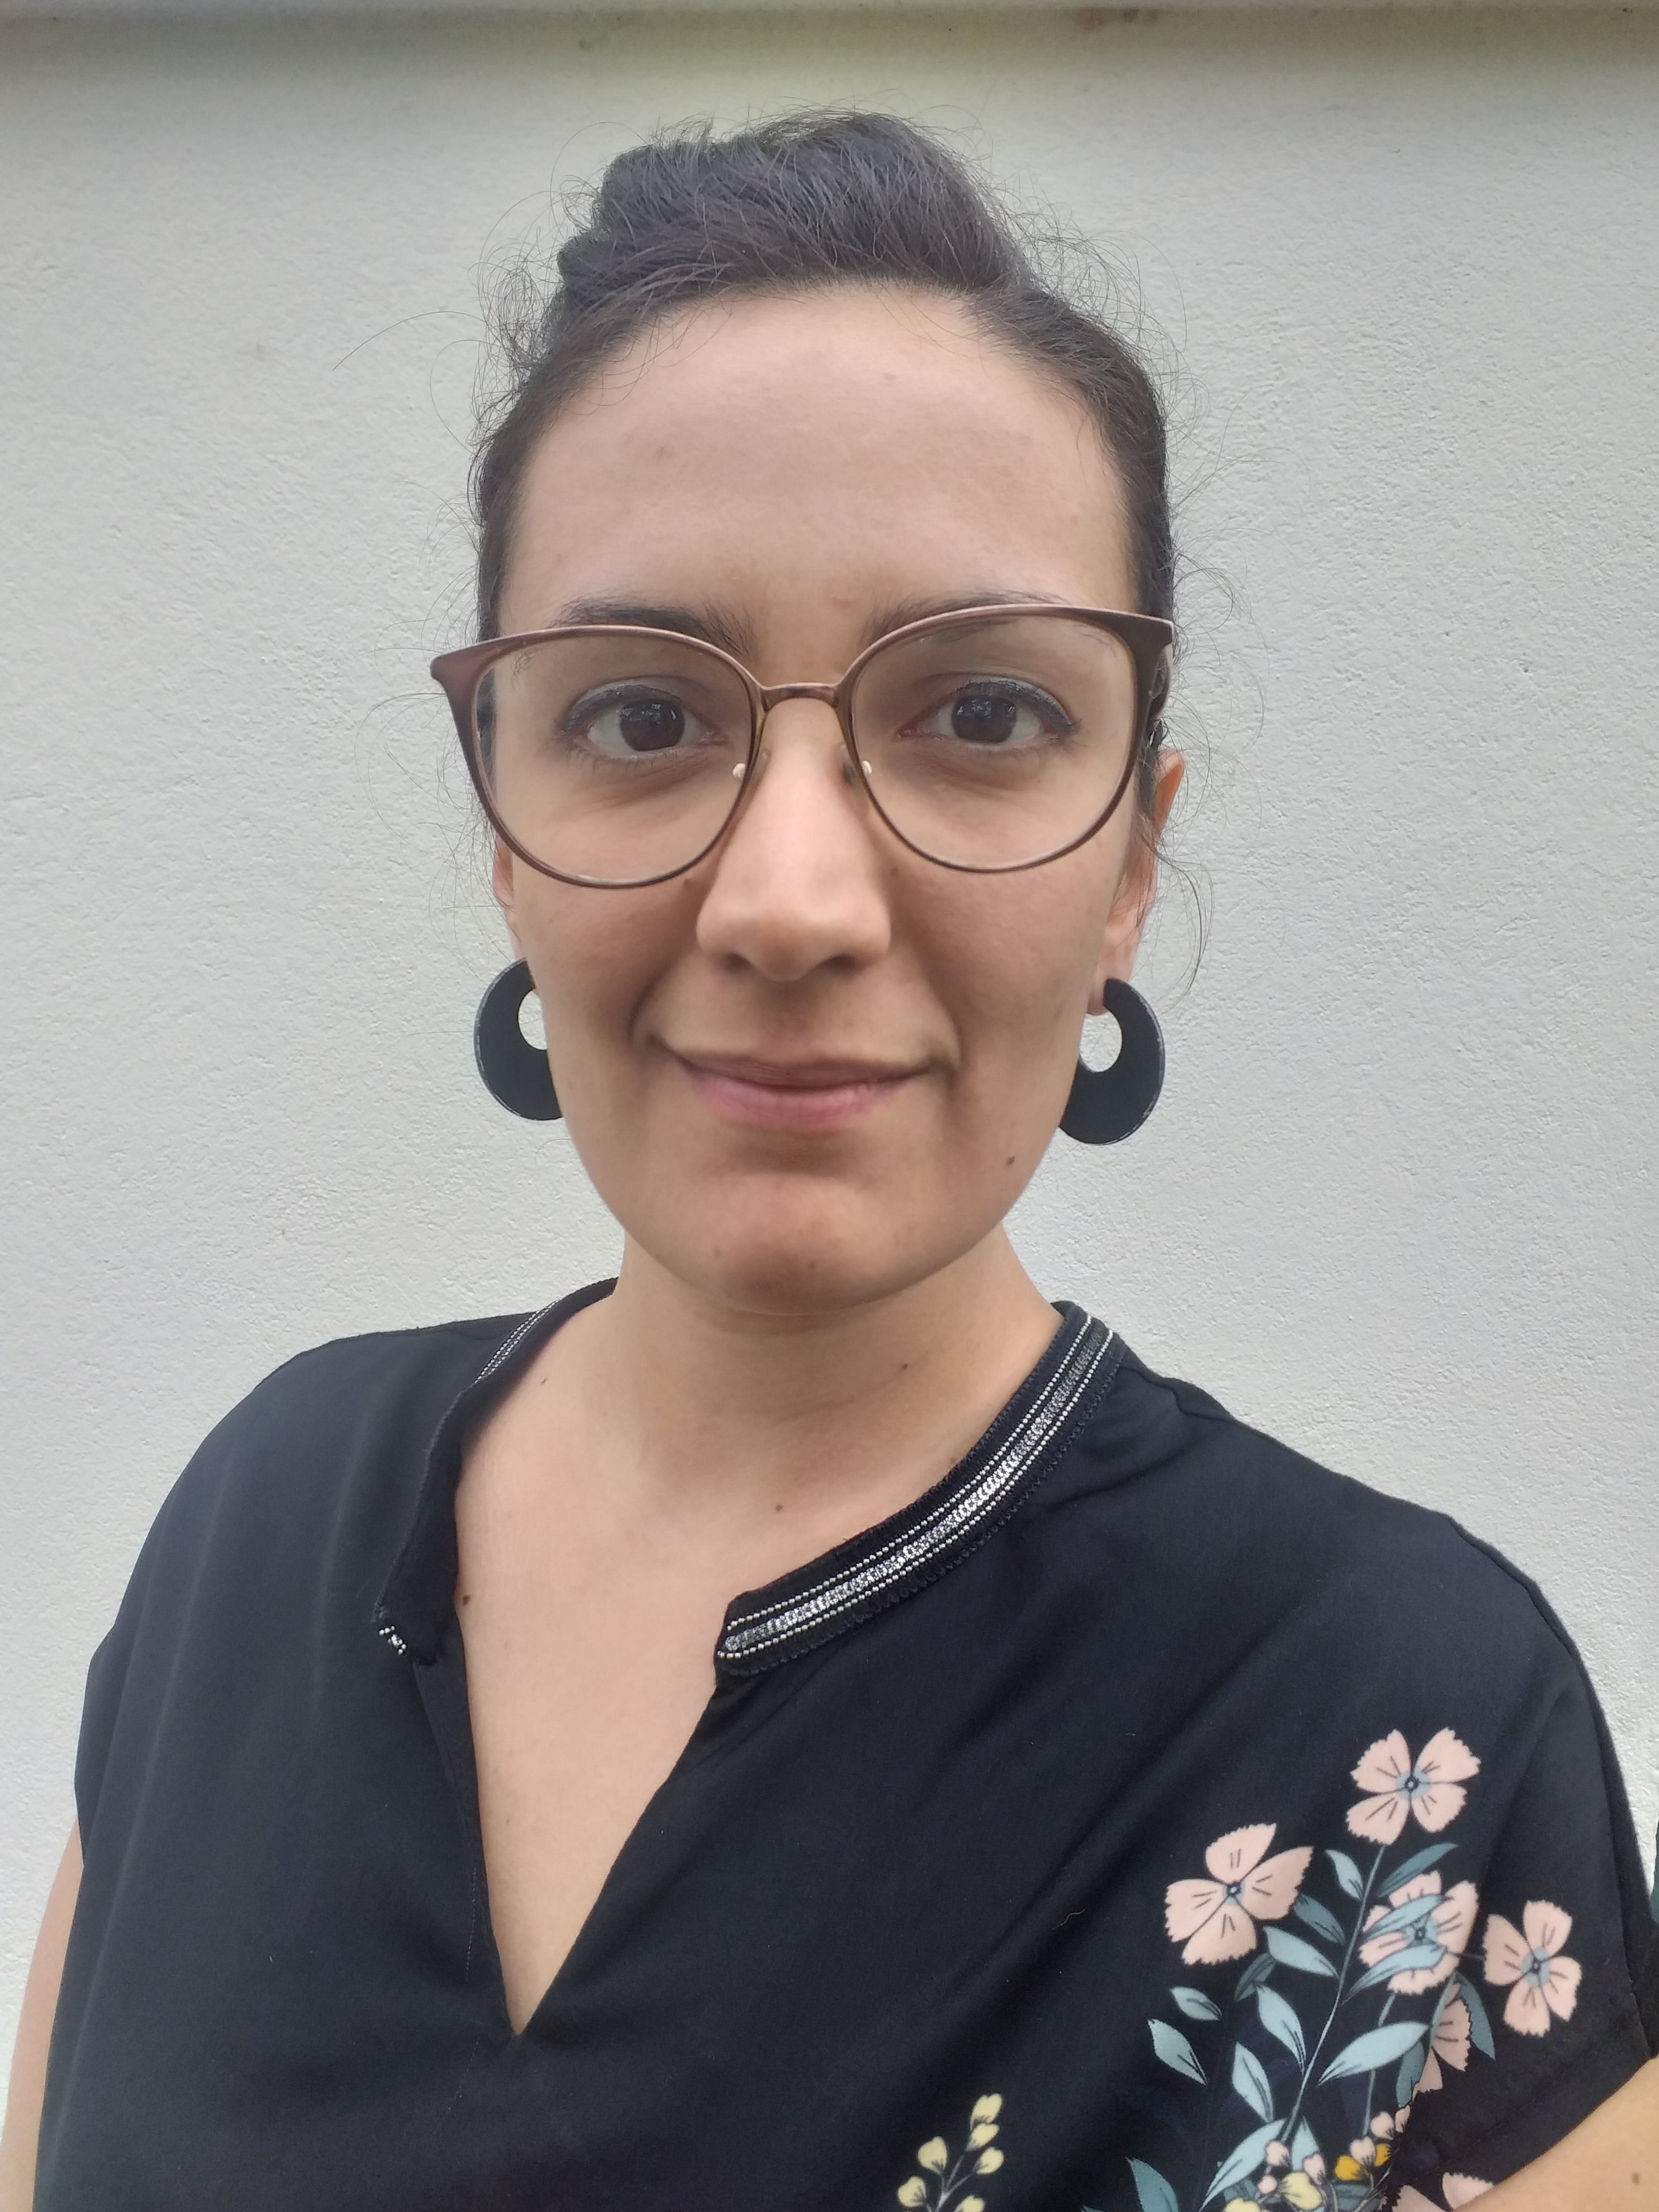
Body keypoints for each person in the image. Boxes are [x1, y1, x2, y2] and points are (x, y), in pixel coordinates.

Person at [2, 112, 1654, 2212]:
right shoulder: (257, 1528)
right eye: (638, 717)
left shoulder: (1411, 1737)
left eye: (983, 714)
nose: (791, 903)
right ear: (502, 824)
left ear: (1133, 861)